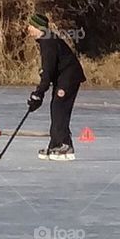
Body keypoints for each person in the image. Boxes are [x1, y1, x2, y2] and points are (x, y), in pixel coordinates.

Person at [26, 14, 86, 161]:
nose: (28, 29)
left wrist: (38, 93)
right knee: (55, 107)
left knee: (60, 109)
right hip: (62, 78)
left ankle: (65, 145)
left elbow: (48, 72)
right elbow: (49, 70)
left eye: (30, 26)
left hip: (69, 78)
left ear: (37, 27)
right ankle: (55, 144)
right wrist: (39, 93)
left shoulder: (48, 42)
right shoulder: (46, 40)